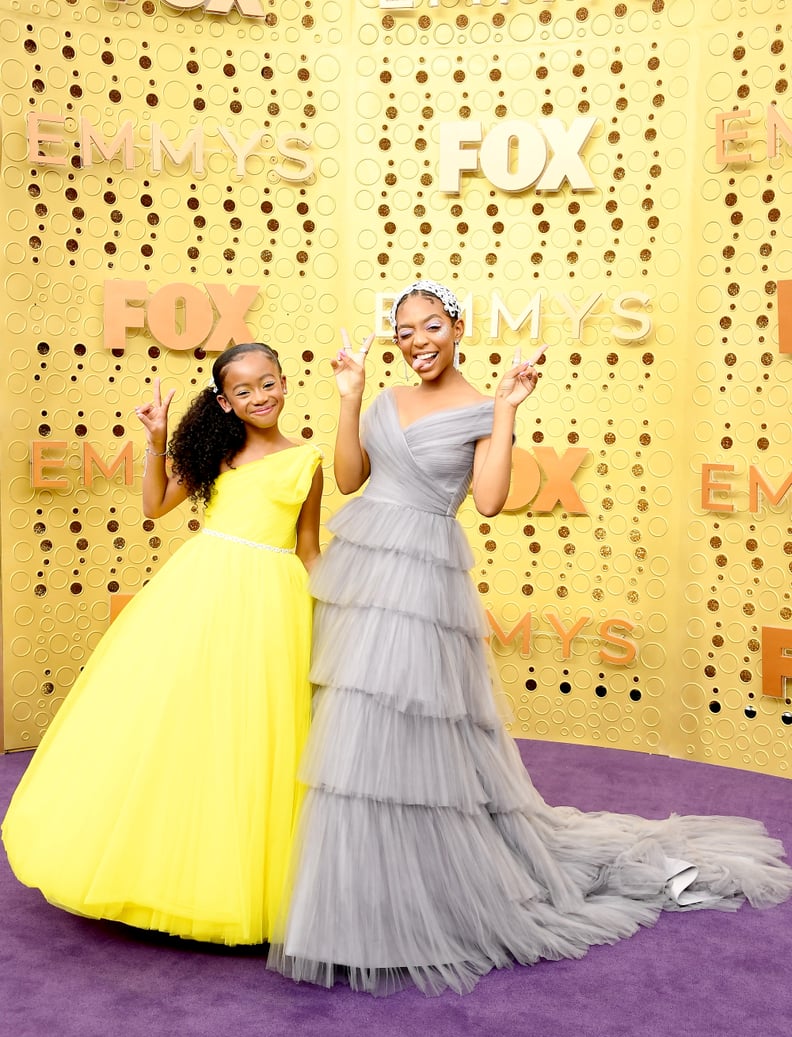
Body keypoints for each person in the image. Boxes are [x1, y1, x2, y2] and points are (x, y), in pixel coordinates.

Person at [267, 280, 792, 996]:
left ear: (457, 327)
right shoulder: (383, 399)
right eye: (403, 331)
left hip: (421, 579)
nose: (416, 341)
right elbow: (353, 479)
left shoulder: (484, 406)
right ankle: (351, 905)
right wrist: (351, 396)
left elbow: (487, 500)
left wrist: (508, 411)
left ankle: (409, 907)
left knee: (405, 733)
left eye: (430, 326)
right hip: (361, 568)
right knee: (350, 729)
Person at [3, 342, 323, 946]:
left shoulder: (307, 461)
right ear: (224, 402)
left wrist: (331, 606)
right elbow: (155, 506)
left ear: (285, 383)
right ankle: (155, 869)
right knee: (179, 715)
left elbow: (307, 547)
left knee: (253, 731)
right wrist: (156, 442)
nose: (260, 396)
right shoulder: (216, 451)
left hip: (273, 601)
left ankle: (243, 883)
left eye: (269, 383)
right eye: (244, 390)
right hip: (204, 589)